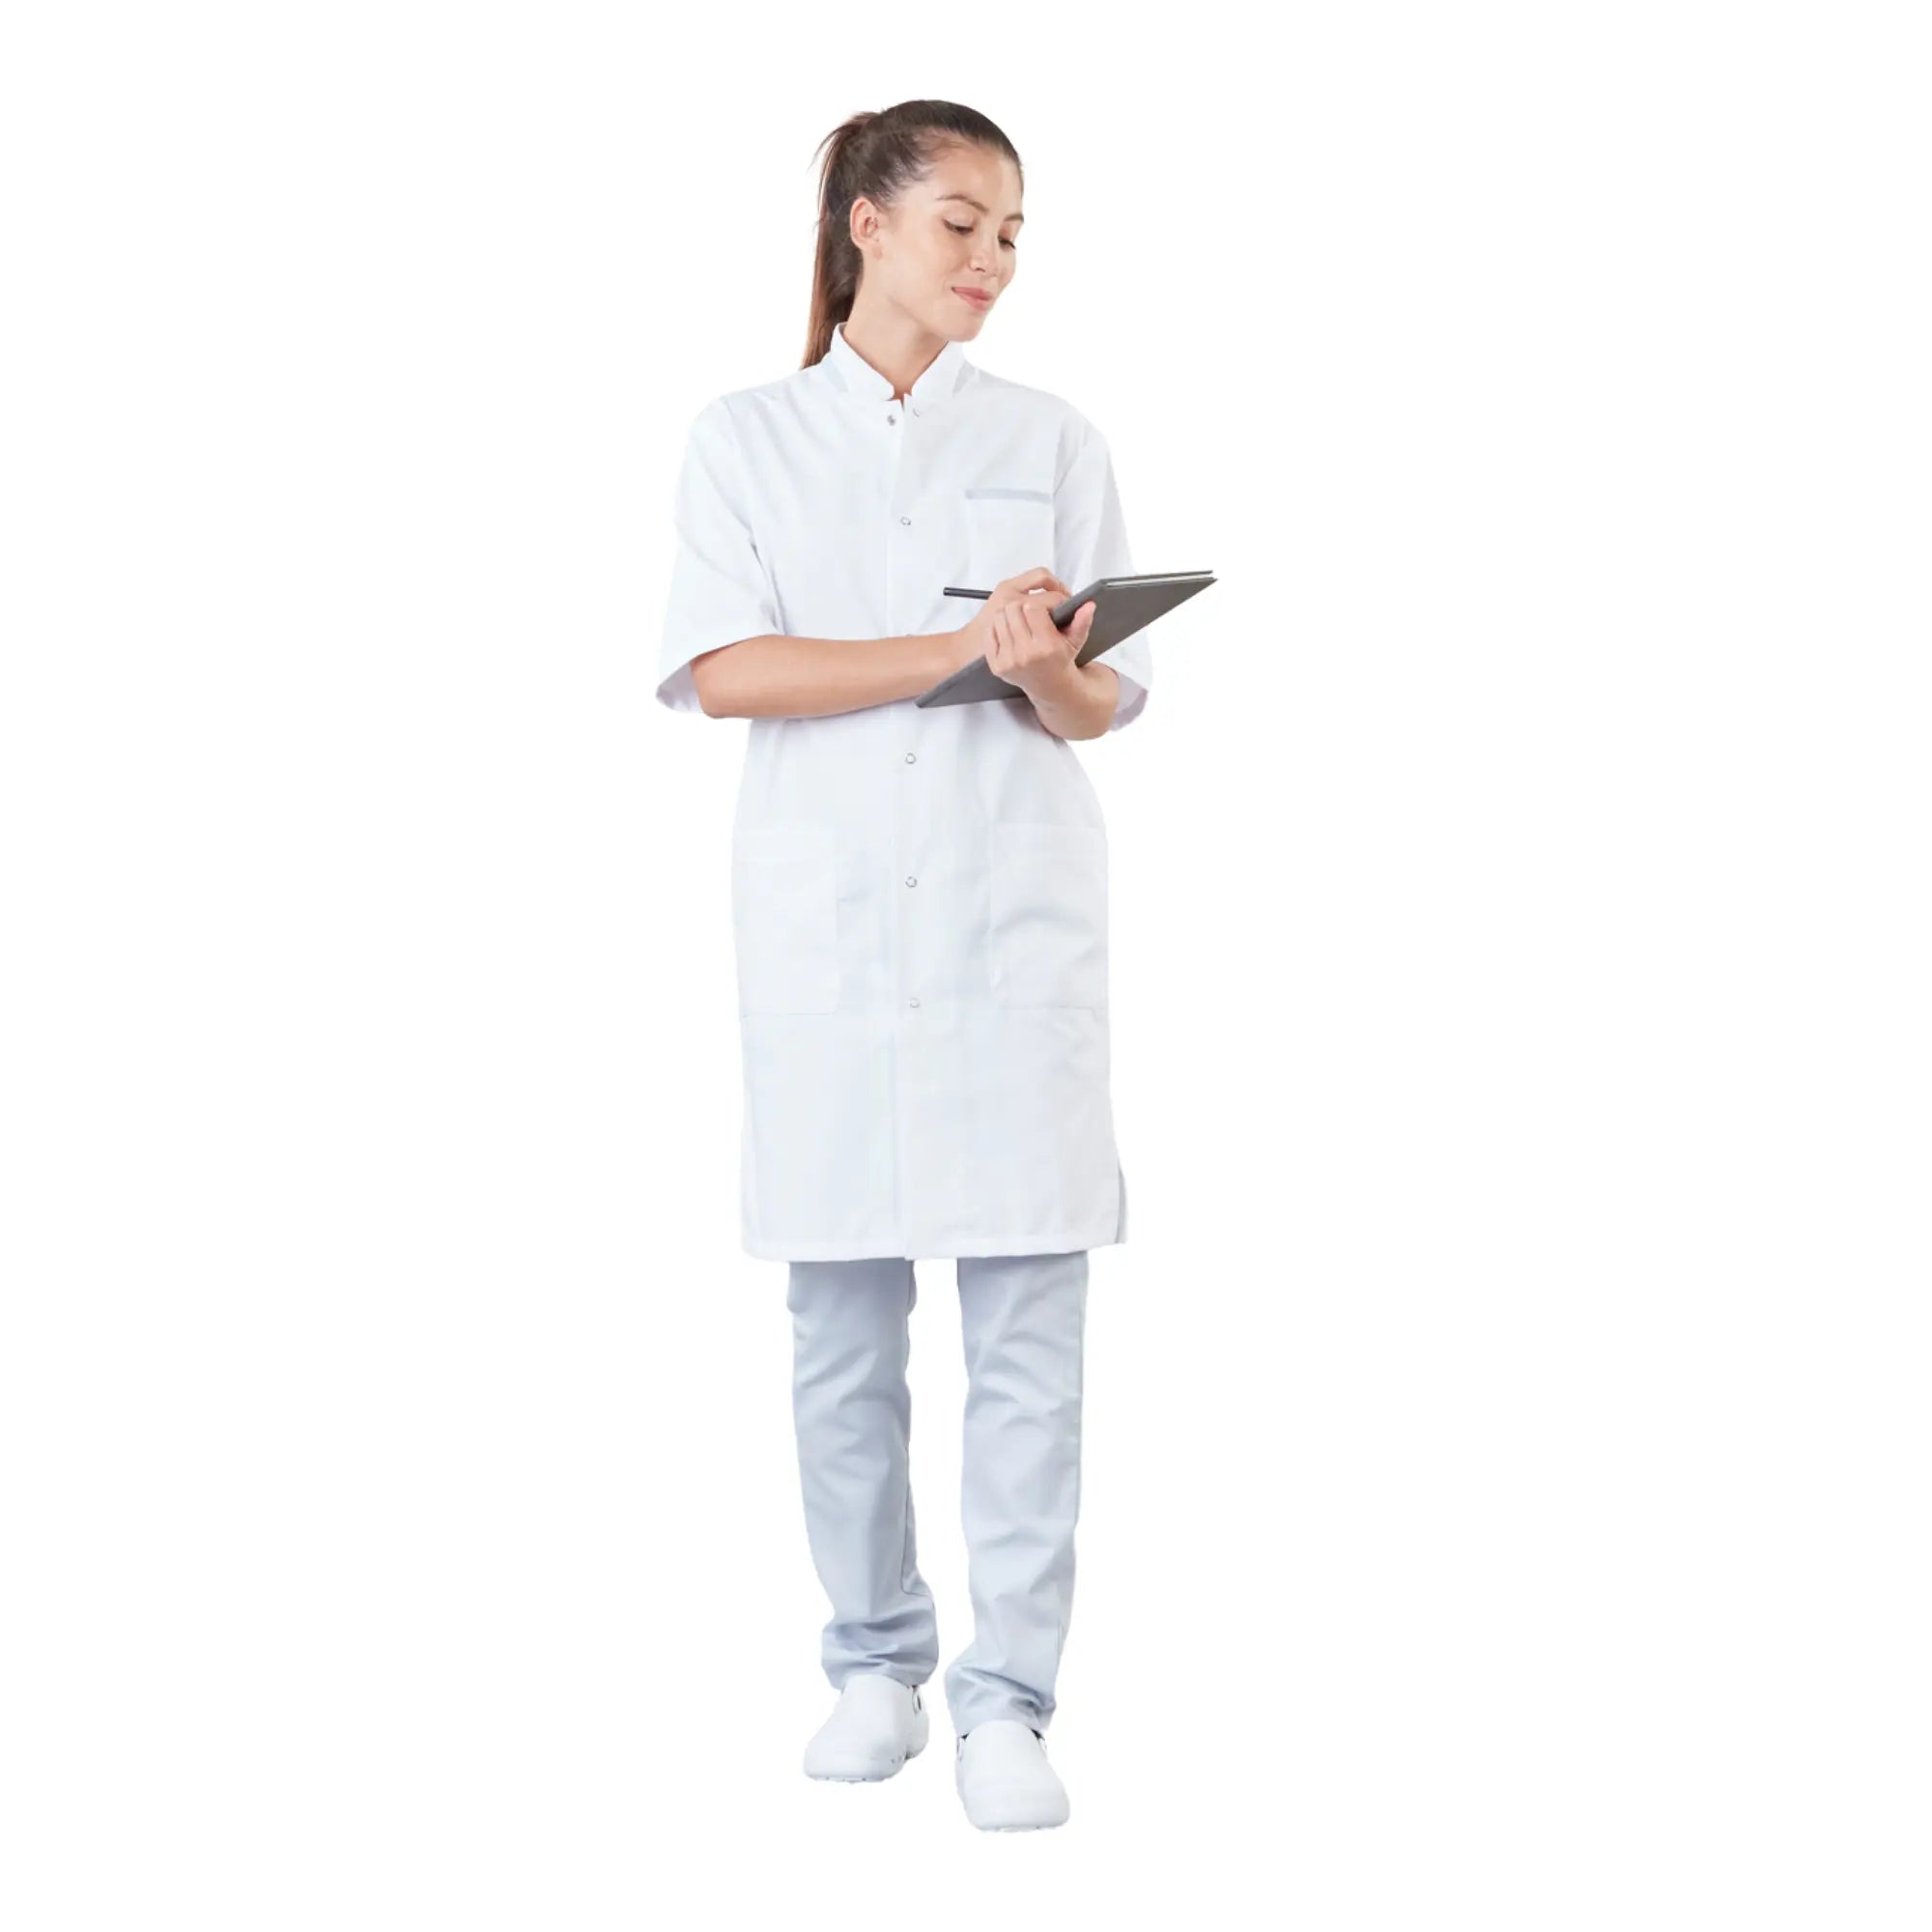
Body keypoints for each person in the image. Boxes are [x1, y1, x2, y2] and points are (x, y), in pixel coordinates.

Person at [655, 100, 1153, 1833]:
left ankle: (1009, 1704)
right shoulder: (747, 440)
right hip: (835, 942)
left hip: (1015, 932)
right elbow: (727, 672)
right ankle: (874, 1666)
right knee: (841, 1338)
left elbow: (1096, 702)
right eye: (960, 223)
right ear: (866, 224)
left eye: (1012, 233)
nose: (991, 260)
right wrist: (952, 648)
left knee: (1029, 1345)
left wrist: (1044, 666)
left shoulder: (1051, 436)